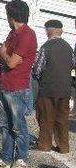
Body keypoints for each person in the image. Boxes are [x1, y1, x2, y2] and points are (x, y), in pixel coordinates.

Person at [0, 0, 37, 168]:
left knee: (18, 126)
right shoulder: (12, 33)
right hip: (5, 83)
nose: (7, 18)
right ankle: (5, 158)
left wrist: (3, 53)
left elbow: (12, 61)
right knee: (5, 125)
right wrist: (4, 54)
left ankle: (21, 159)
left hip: (17, 87)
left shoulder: (27, 35)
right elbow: (6, 55)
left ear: (12, 16)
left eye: (7, 15)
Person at [31, 20, 74, 154]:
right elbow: (73, 63)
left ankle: (44, 144)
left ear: (49, 30)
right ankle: (63, 147)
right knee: (62, 119)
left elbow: (37, 69)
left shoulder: (46, 47)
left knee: (45, 117)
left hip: (48, 89)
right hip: (65, 89)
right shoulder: (68, 47)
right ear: (60, 31)